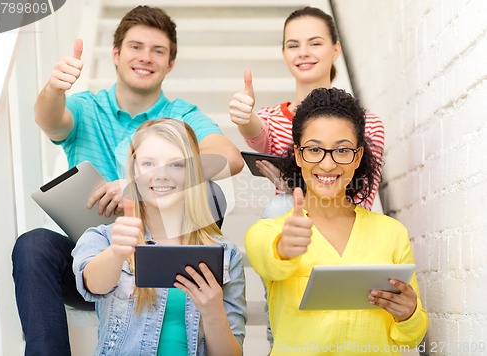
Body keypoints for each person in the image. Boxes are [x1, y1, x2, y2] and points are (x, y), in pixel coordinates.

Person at [12, 6, 243, 355]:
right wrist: (53, 89)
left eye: (158, 51)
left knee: (209, 191)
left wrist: (143, 181)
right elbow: (50, 119)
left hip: (167, 252)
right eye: (136, 47)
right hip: (99, 264)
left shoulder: (184, 117)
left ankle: (195, 275)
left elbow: (232, 158)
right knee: (33, 245)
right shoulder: (87, 107)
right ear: (116, 54)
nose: (146, 57)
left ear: (170, 64)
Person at [245, 88, 428, 356]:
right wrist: (284, 247)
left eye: (342, 150)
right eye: (314, 150)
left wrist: (409, 314)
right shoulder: (268, 231)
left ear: (357, 157)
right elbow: (268, 260)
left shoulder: (392, 232)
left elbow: (410, 338)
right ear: (297, 155)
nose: (328, 165)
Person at [72, 118, 246, 355]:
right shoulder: (103, 239)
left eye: (176, 165)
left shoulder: (226, 254)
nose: (161, 175)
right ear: (133, 171)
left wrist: (213, 312)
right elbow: (93, 285)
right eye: (148, 164)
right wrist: (116, 253)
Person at [229, 6, 384, 218]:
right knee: (281, 207)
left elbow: (361, 204)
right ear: (284, 54)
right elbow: (257, 132)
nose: (303, 52)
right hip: (293, 227)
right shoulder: (272, 120)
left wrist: (295, 191)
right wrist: (245, 118)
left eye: (315, 43)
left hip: (346, 232)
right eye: (293, 45)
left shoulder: (368, 123)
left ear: (336, 49)